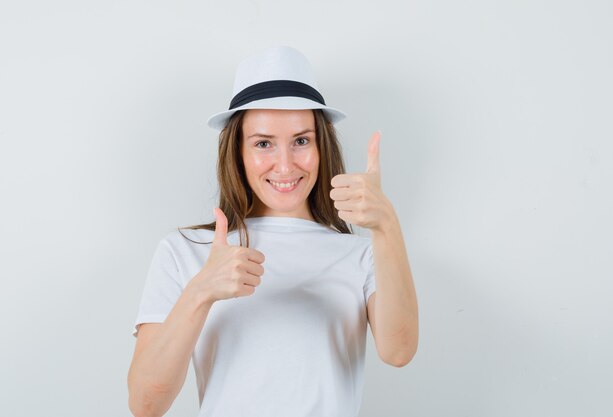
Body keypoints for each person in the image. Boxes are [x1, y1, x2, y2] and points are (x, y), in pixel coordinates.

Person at [127, 46, 418, 417]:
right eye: (263, 143)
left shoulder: (362, 254)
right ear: (238, 152)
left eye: (301, 140)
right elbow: (145, 405)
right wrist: (201, 292)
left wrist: (386, 224)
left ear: (320, 145)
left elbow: (399, 352)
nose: (285, 165)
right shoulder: (185, 250)